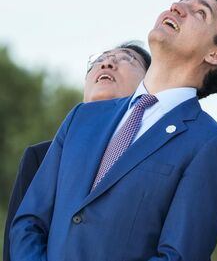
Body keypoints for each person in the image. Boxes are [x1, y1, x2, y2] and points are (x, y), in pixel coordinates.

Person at [10, 0, 217, 261]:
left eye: (199, 12)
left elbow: (178, 256)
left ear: (216, 55)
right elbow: (29, 222)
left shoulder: (212, 145)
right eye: (180, 2)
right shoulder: (82, 118)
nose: (176, 7)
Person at [3, 41, 150, 261]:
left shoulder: (157, 157)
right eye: (98, 60)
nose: (107, 63)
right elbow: (18, 241)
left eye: (127, 58)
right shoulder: (40, 157)